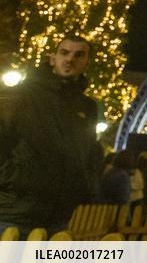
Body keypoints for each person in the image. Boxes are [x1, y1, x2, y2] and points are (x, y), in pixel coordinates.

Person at [0, 34, 103, 234]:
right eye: (64, 52)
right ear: (52, 58)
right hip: (12, 212)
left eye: (79, 55)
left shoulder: (87, 107)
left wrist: (86, 186)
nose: (70, 59)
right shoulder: (23, 95)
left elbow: (90, 151)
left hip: (58, 218)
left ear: (86, 62)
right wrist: (12, 180)